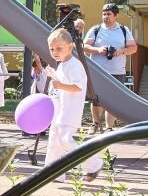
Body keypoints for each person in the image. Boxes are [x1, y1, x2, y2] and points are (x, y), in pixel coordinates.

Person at [43, 28, 103, 183]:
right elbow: (61, 84)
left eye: (59, 48)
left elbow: (78, 87)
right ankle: (53, 174)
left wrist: (60, 84)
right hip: (59, 112)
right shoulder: (62, 65)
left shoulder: (75, 65)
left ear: (70, 47)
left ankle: (94, 164)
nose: (55, 52)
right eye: (52, 49)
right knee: (54, 143)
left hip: (69, 111)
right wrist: (53, 75)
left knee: (64, 140)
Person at [83, 3, 137, 131]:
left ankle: (109, 127)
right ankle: (96, 124)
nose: (105, 17)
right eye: (104, 14)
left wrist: (122, 51)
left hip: (117, 71)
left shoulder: (124, 30)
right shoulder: (95, 29)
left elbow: (133, 48)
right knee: (95, 99)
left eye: (108, 14)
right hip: (98, 71)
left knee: (113, 100)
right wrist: (98, 50)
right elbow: (84, 47)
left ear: (116, 15)